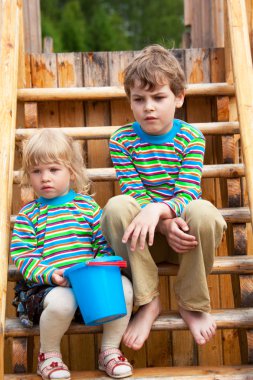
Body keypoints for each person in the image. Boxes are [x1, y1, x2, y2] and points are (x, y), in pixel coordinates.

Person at [101, 44, 227, 351]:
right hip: (144, 245)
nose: (149, 107)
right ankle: (148, 302)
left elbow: (187, 192)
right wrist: (160, 224)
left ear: (179, 97)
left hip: (187, 241)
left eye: (159, 97)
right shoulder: (122, 140)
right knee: (117, 206)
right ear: (129, 101)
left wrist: (162, 214)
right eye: (139, 99)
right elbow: (134, 193)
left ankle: (192, 303)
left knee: (205, 212)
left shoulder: (190, 138)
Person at [10, 129, 133, 380]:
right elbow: (24, 257)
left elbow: (103, 243)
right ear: (28, 176)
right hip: (49, 288)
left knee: (125, 288)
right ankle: (49, 356)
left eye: (53, 170)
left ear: (72, 172)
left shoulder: (86, 207)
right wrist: (49, 274)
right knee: (63, 301)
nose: (45, 178)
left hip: (90, 285)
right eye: (36, 171)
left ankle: (109, 350)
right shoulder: (28, 216)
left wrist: (102, 266)